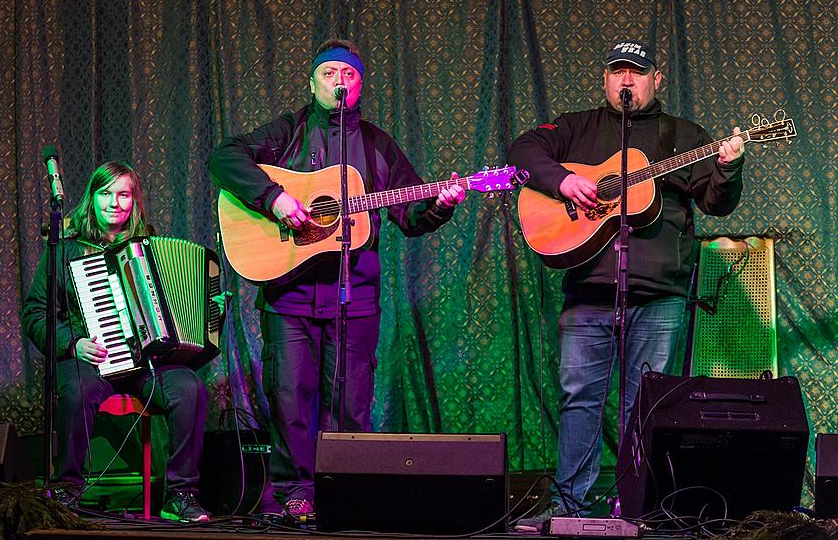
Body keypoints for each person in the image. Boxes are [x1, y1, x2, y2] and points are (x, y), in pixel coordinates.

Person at [208, 38, 466, 517]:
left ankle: (347, 487)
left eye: (348, 75)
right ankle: (294, 492)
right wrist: (275, 199)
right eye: (329, 74)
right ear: (312, 83)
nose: (338, 82)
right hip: (289, 295)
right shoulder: (288, 131)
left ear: (360, 84)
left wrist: (441, 205)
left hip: (356, 297)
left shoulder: (377, 145)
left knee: (350, 399)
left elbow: (410, 216)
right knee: (290, 397)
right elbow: (223, 158)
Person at [508, 40, 745, 530]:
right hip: (589, 290)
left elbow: (717, 204)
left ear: (657, 79)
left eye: (636, 73)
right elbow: (523, 151)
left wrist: (728, 167)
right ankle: (571, 504)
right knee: (579, 397)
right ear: (606, 80)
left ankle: (643, 506)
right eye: (617, 72)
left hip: (659, 293)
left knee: (650, 406)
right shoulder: (577, 127)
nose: (626, 81)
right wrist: (563, 183)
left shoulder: (683, 135)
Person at [21, 161, 212, 523]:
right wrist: (72, 343)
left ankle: (180, 494)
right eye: (105, 193)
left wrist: (209, 309)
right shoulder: (64, 249)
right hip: (92, 359)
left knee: (189, 388)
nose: (114, 202)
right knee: (76, 389)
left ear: (134, 202)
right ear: (91, 199)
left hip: (146, 363)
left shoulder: (149, 247)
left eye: (123, 194)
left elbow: (180, 304)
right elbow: (35, 311)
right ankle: (68, 488)